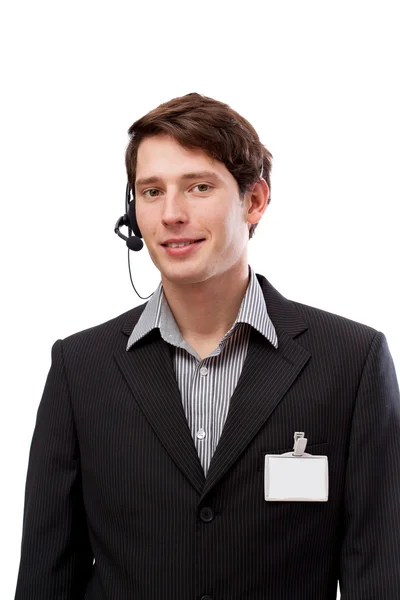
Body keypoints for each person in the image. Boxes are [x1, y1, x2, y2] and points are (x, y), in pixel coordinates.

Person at [14, 92, 400, 600]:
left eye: (198, 186)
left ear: (255, 200)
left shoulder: (351, 362)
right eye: (151, 192)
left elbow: (380, 575)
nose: (171, 214)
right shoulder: (79, 368)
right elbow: (47, 577)